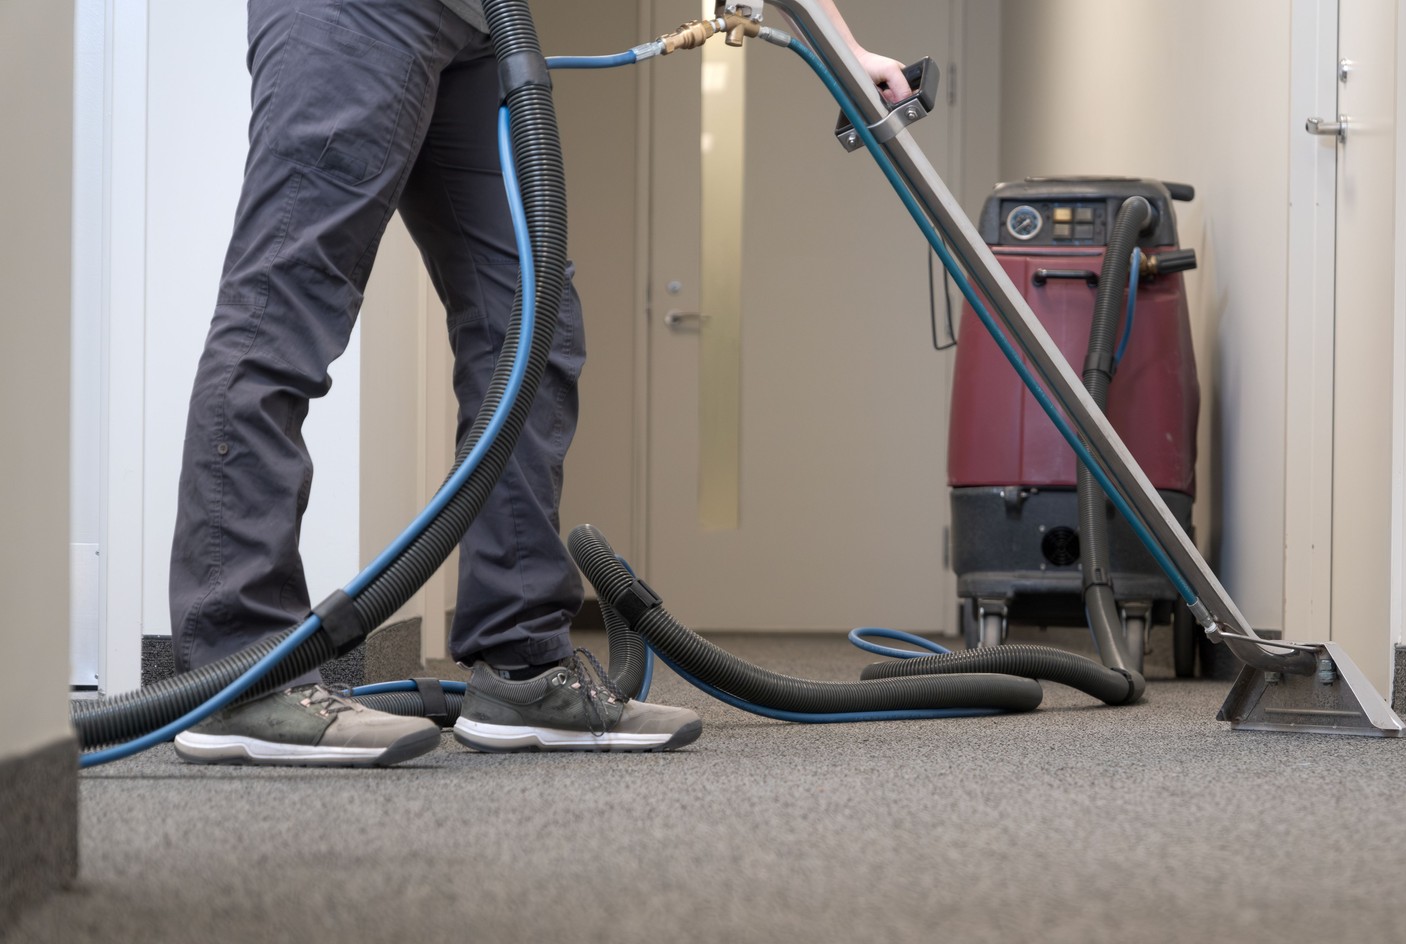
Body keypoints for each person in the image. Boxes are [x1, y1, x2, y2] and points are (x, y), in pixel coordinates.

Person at [168, 0, 908, 766]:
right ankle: (240, 671)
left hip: (473, 25)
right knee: (287, 307)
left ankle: (519, 665)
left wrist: (841, 46)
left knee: (530, 323)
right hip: (360, 12)